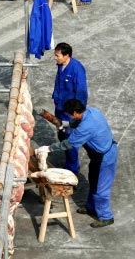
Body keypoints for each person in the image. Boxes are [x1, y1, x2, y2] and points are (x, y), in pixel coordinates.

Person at [39, 99, 117, 228]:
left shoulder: (85, 128)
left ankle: (106, 217)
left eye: (70, 114)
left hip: (104, 158)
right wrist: (67, 124)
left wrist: (49, 148)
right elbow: (78, 121)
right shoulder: (93, 111)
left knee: (99, 188)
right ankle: (91, 207)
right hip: (101, 154)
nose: (70, 116)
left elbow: (69, 144)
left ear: (75, 112)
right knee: (93, 181)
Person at [51, 43, 88, 174]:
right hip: (60, 109)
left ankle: (72, 170)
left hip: (69, 112)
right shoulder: (61, 66)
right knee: (62, 135)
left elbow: (82, 92)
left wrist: (76, 112)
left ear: (67, 55)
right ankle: (68, 158)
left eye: (57, 55)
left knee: (70, 140)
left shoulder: (77, 69)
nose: (55, 58)